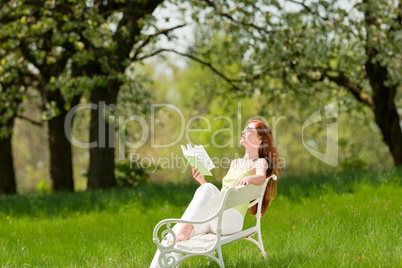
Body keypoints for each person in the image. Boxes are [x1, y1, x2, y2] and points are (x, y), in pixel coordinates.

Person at [150, 119, 280, 267]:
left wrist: (250, 178)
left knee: (202, 198)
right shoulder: (235, 163)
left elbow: (261, 177)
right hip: (216, 217)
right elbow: (219, 197)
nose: (243, 132)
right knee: (173, 235)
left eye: (249, 130)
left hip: (231, 220)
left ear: (260, 139)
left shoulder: (259, 162)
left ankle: (186, 228)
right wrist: (201, 181)